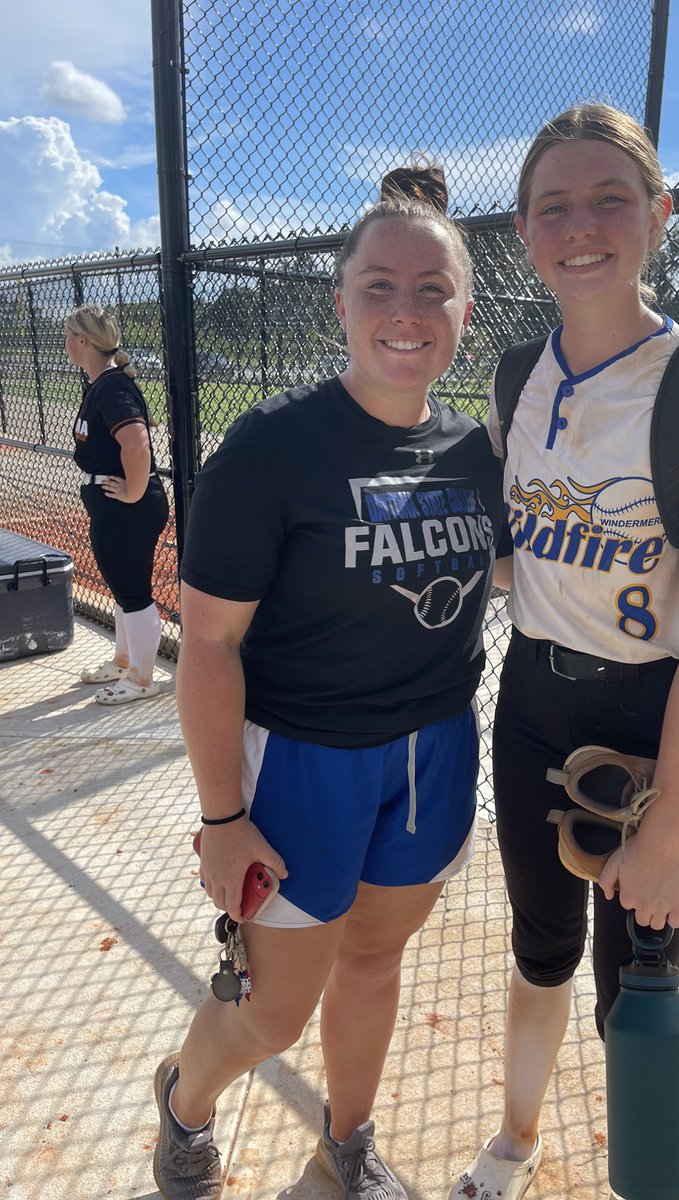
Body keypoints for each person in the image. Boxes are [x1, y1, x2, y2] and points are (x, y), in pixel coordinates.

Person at [153, 165, 504, 1200]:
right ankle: (183, 1102)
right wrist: (223, 817)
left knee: (377, 961)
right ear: (341, 300)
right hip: (303, 763)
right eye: (380, 286)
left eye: (432, 288)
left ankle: (347, 1142)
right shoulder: (275, 445)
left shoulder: (479, 452)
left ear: (465, 311)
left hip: (434, 751)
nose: (407, 310)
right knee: (271, 1011)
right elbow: (208, 645)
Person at [449, 103, 679, 1200]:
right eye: (553, 206)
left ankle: (643, 1170)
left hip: (656, 714)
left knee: (634, 972)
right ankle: (516, 1136)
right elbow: (522, 555)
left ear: (659, 216)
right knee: (540, 950)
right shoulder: (512, 381)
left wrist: (671, 822)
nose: (579, 225)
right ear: (525, 231)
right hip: (536, 696)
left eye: (609, 200)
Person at [65, 305, 169, 704]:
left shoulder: (112, 387)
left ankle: (142, 679)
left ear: (83, 340)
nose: (66, 344)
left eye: (68, 336)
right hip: (114, 506)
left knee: (133, 591)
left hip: (128, 508)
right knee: (123, 589)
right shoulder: (102, 384)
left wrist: (134, 493)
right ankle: (125, 660)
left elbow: (137, 443)